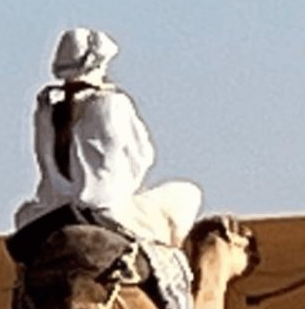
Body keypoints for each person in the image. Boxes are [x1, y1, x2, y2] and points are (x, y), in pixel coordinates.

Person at [14, 27, 203, 250]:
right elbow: (142, 157)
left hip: (50, 212)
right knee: (188, 193)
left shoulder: (44, 110)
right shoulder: (112, 103)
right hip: (107, 211)